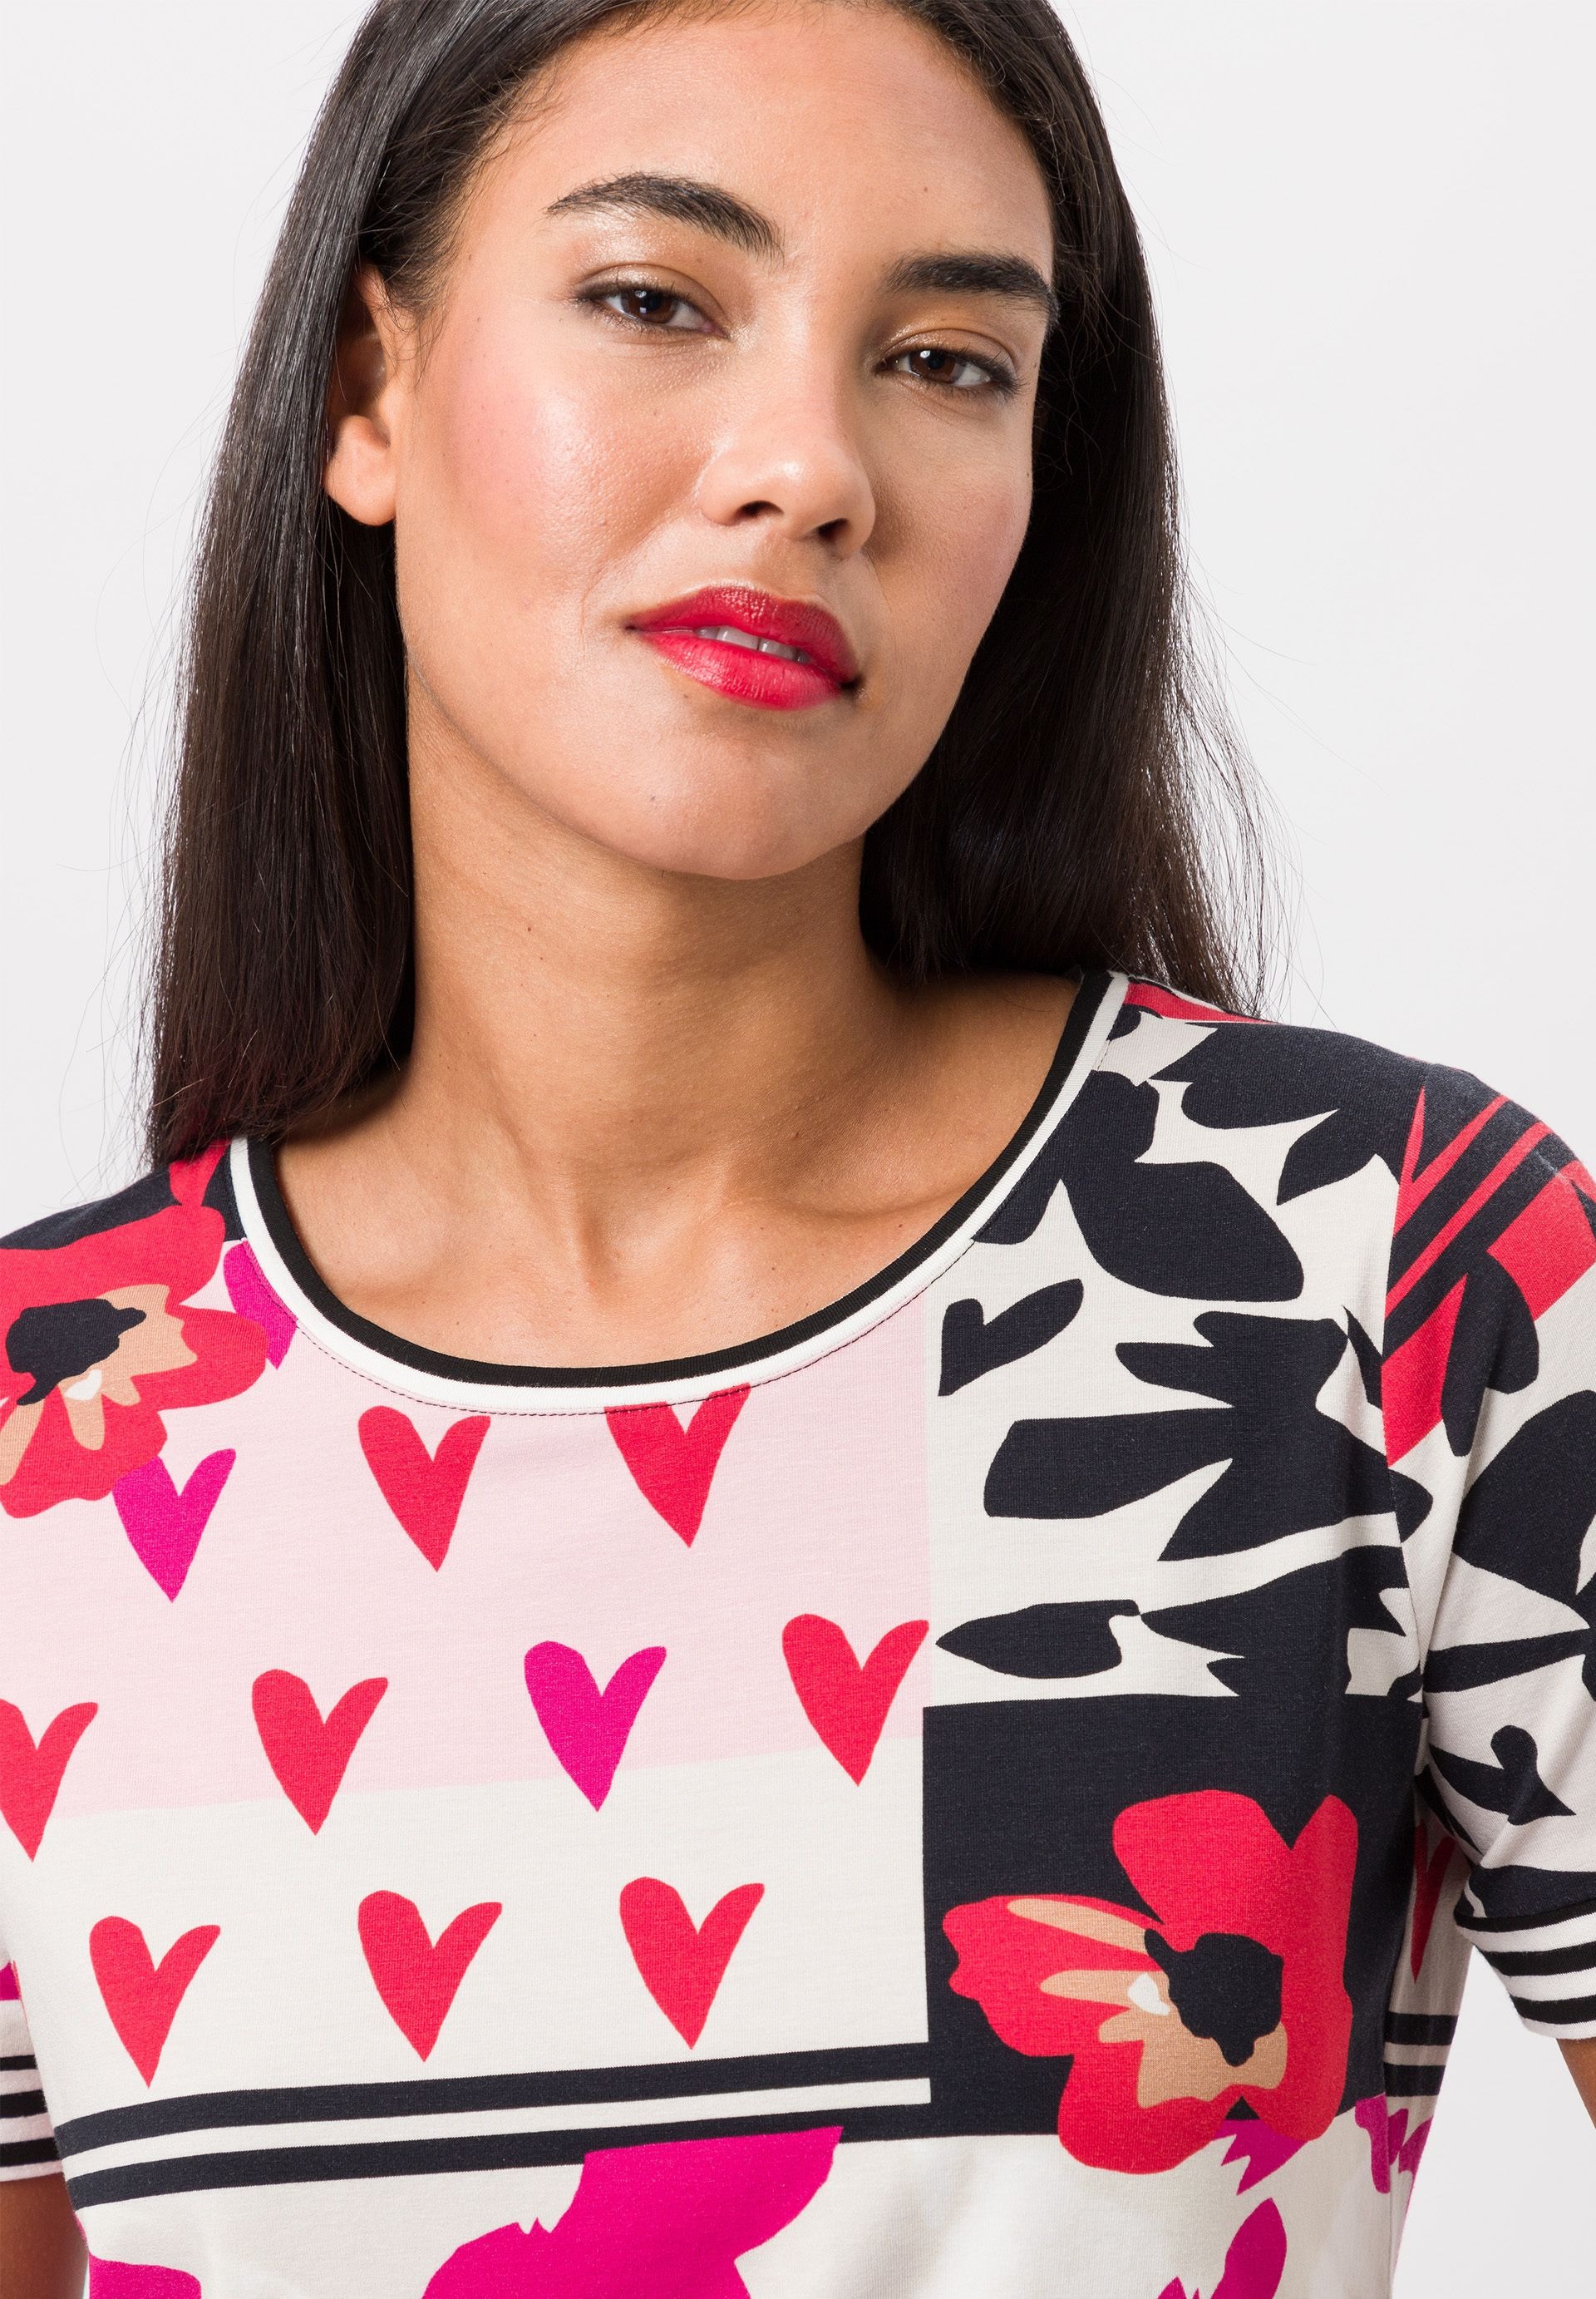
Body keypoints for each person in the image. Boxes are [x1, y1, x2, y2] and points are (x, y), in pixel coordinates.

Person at [2, 0, 1592, 2291]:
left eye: (947, 361)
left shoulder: (1381, 1275)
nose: (807, 467)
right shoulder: (49, 1442)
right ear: (368, 388)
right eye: (656, 299)